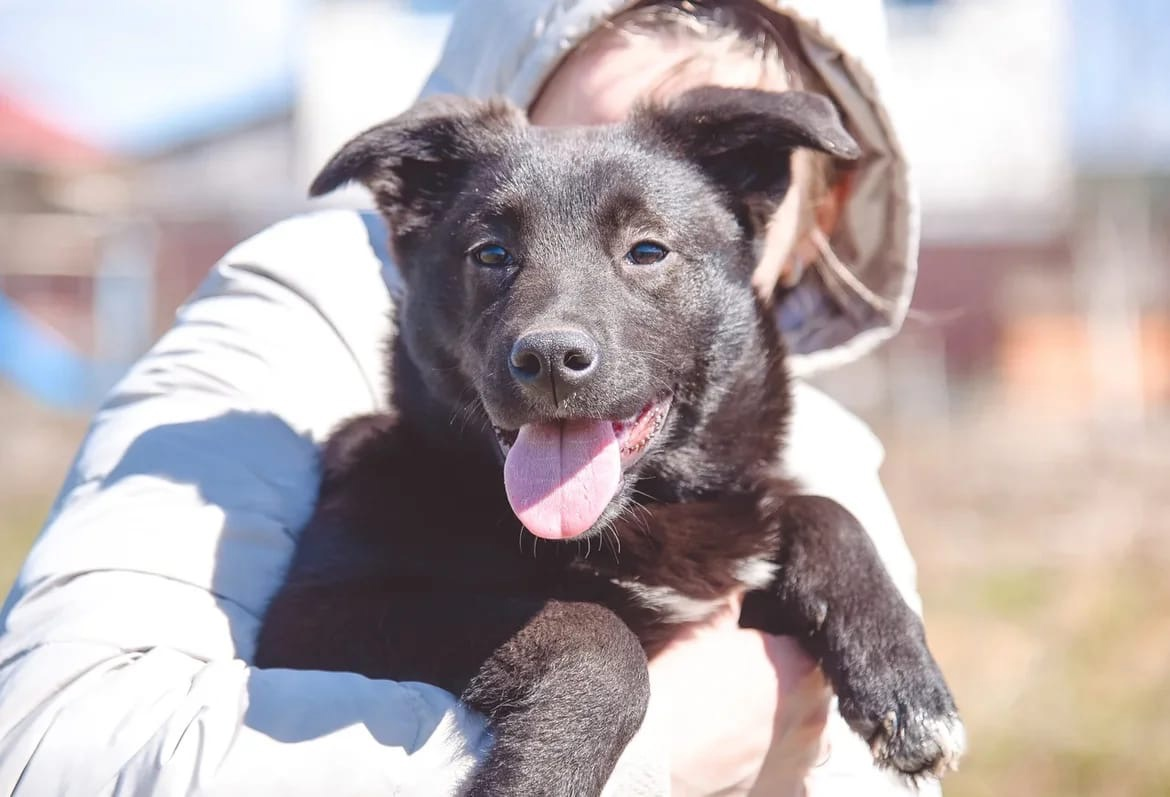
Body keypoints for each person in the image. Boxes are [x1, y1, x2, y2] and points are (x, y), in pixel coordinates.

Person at [0, 1, 941, 795]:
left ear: (791, 211)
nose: (552, 328)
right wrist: (638, 729)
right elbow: (52, 740)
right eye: (498, 252)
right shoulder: (308, 353)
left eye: (644, 248)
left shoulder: (831, 460)